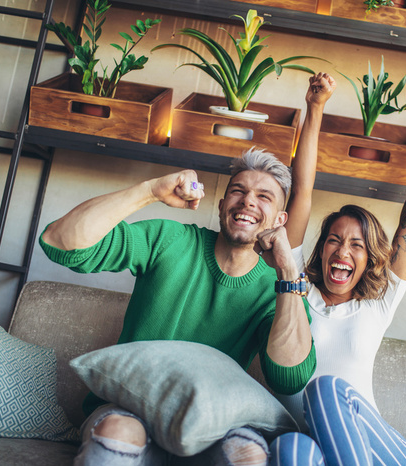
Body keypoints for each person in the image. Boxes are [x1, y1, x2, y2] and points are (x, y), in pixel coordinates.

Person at [38, 73, 336, 466]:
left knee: (246, 454)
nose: (248, 201)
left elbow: (289, 377)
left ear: (280, 220)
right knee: (119, 432)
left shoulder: (276, 288)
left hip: (214, 426)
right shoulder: (170, 241)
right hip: (129, 411)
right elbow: (61, 243)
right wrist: (149, 192)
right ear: (221, 204)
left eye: (263, 197)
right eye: (238, 190)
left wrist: (285, 269)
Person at [268, 110, 406, 465]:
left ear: (369, 259)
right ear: (320, 250)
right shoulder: (293, 291)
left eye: (357, 245)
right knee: (289, 448)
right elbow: (301, 191)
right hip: (318, 450)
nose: (343, 251)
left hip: (379, 450)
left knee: (326, 390)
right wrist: (315, 107)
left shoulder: (378, 304)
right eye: (334, 240)